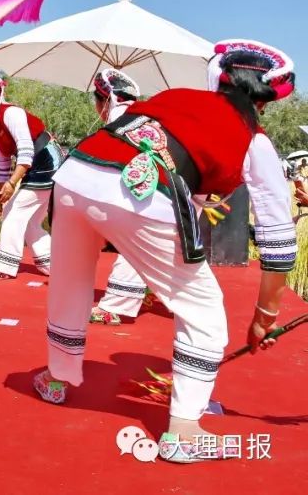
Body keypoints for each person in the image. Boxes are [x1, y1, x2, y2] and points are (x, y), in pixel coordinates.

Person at [35, 39, 299, 463]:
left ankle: (56, 378)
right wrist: (264, 318)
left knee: (71, 281)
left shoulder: (177, 97)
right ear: (264, 101)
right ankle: (185, 434)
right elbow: (277, 237)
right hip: (138, 191)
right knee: (203, 308)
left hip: (76, 174)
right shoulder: (254, 138)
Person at [0, 70, 63, 279]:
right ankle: (55, 265)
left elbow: (26, 152)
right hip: (34, 166)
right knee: (29, 220)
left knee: (13, 211)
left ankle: (3, 266)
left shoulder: (11, 113)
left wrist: (12, 184)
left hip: (47, 161)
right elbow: (2, 166)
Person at [86, 68, 152, 325]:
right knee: (175, 248)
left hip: (164, 189)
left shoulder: (120, 121)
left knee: (134, 238)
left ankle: (117, 304)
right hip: (191, 187)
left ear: (104, 101)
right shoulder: (141, 115)